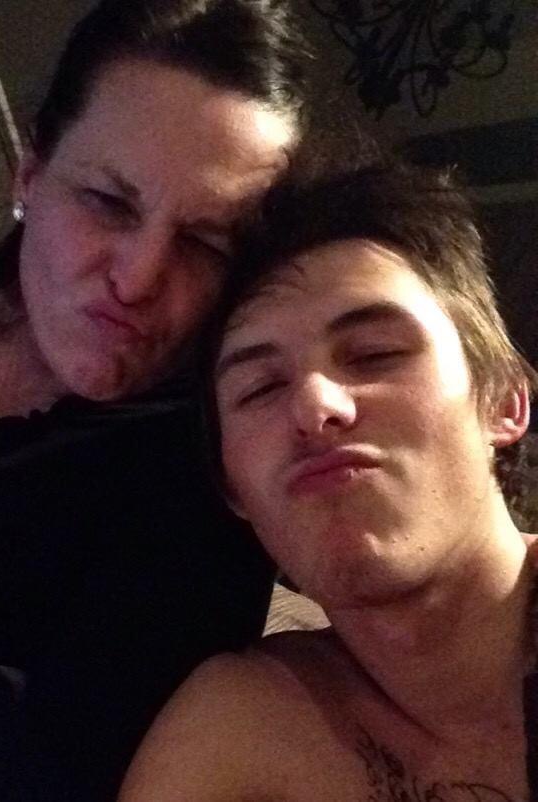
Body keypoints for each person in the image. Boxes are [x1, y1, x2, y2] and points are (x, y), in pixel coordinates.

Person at [0, 1, 311, 799]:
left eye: (204, 242)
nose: (138, 279)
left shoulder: (197, 521)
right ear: (30, 171)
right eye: (108, 201)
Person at [118, 160, 538, 801]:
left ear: (504, 399)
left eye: (375, 354)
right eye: (259, 388)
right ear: (231, 486)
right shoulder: (240, 734)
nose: (315, 405)